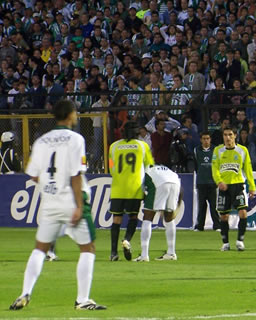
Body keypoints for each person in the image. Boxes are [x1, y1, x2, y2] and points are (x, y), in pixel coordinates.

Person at [10, 100, 106, 310]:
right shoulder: (76, 139)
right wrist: (79, 206)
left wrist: (49, 185)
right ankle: (82, 300)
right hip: (71, 201)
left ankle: (24, 292)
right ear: (70, 115)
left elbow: (34, 175)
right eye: (76, 112)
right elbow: (75, 175)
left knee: (40, 249)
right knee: (88, 248)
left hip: (49, 203)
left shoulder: (41, 141)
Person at [108, 121, 154, 261]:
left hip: (117, 188)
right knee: (133, 217)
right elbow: (150, 167)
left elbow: (111, 168)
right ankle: (127, 240)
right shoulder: (143, 146)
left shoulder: (113, 146)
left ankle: (113, 253)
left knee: (116, 219)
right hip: (135, 188)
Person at [211, 126, 256, 251]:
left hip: (238, 185)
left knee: (243, 212)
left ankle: (240, 241)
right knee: (224, 216)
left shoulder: (243, 150)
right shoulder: (217, 151)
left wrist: (252, 186)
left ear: (235, 136)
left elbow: (248, 169)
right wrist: (219, 181)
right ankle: (225, 243)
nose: (227, 137)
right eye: (225, 135)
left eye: (230, 134)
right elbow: (214, 168)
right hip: (224, 186)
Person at [133, 165, 182, 262]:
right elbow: (181, 190)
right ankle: (171, 253)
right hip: (176, 183)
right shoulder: (164, 169)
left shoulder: (144, 172)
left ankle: (144, 255)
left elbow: (141, 191)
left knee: (148, 217)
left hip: (159, 184)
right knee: (169, 218)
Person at [194, 132, 220, 231]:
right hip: (201, 181)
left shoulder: (215, 150)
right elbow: (196, 166)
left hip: (212, 181)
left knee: (214, 205)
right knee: (201, 206)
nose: (206, 141)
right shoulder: (196, 150)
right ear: (201, 140)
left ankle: (217, 225)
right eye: (204, 139)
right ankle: (200, 226)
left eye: (207, 138)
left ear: (210, 139)